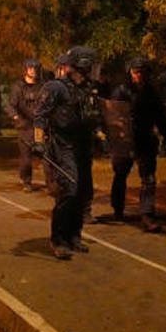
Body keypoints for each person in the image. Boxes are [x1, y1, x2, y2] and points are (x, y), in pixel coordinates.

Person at [33, 46, 103, 260]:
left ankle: (74, 235)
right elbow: (40, 116)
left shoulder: (88, 89)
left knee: (82, 193)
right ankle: (59, 239)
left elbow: (94, 116)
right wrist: (38, 141)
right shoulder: (56, 88)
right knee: (69, 191)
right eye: (85, 68)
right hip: (63, 147)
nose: (88, 72)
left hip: (83, 147)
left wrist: (101, 136)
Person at [107, 57, 166, 232]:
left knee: (148, 178)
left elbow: (160, 117)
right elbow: (113, 114)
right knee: (120, 174)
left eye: (143, 72)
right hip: (125, 140)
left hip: (144, 139)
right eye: (136, 72)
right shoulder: (121, 91)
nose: (139, 75)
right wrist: (116, 131)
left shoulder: (152, 93)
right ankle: (118, 208)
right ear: (130, 72)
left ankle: (147, 214)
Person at [8, 58, 52, 193]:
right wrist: (16, 118)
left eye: (35, 68)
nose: (33, 70)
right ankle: (26, 181)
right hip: (25, 127)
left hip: (41, 126)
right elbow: (11, 106)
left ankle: (50, 184)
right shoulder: (18, 87)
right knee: (26, 159)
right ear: (25, 70)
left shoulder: (43, 86)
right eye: (30, 68)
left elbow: (49, 103)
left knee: (46, 158)